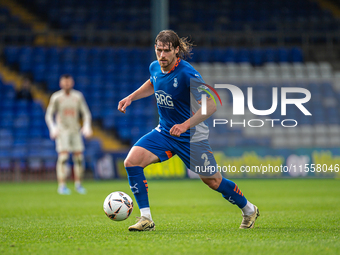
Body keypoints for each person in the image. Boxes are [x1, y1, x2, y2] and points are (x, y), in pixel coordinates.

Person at [118, 30, 260, 231]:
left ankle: (249, 209)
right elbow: (153, 81)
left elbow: (211, 105)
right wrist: (131, 97)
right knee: (131, 162)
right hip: (165, 132)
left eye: (167, 51)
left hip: (192, 136)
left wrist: (185, 124)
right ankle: (146, 218)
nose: (162, 56)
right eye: (158, 50)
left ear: (176, 50)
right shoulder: (155, 67)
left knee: (213, 181)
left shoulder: (188, 73)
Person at [45, 74, 92, 195]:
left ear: (72, 83)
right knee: (63, 157)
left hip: (75, 130)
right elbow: (49, 115)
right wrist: (53, 128)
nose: (67, 84)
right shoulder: (56, 97)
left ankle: (78, 184)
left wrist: (87, 126)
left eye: (68, 82)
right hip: (62, 131)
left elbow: (86, 113)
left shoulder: (77, 96)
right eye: (64, 82)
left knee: (79, 158)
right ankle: (62, 185)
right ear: (61, 84)